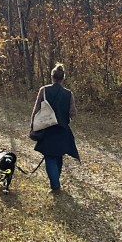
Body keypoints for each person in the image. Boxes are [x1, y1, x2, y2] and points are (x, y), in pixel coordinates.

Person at [30, 63, 79, 193]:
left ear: (52, 77)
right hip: (62, 130)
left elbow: (36, 110)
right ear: (63, 78)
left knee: (49, 157)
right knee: (58, 156)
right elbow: (73, 113)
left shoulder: (44, 90)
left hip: (47, 129)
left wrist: (33, 127)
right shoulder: (69, 93)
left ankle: (55, 186)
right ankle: (56, 182)